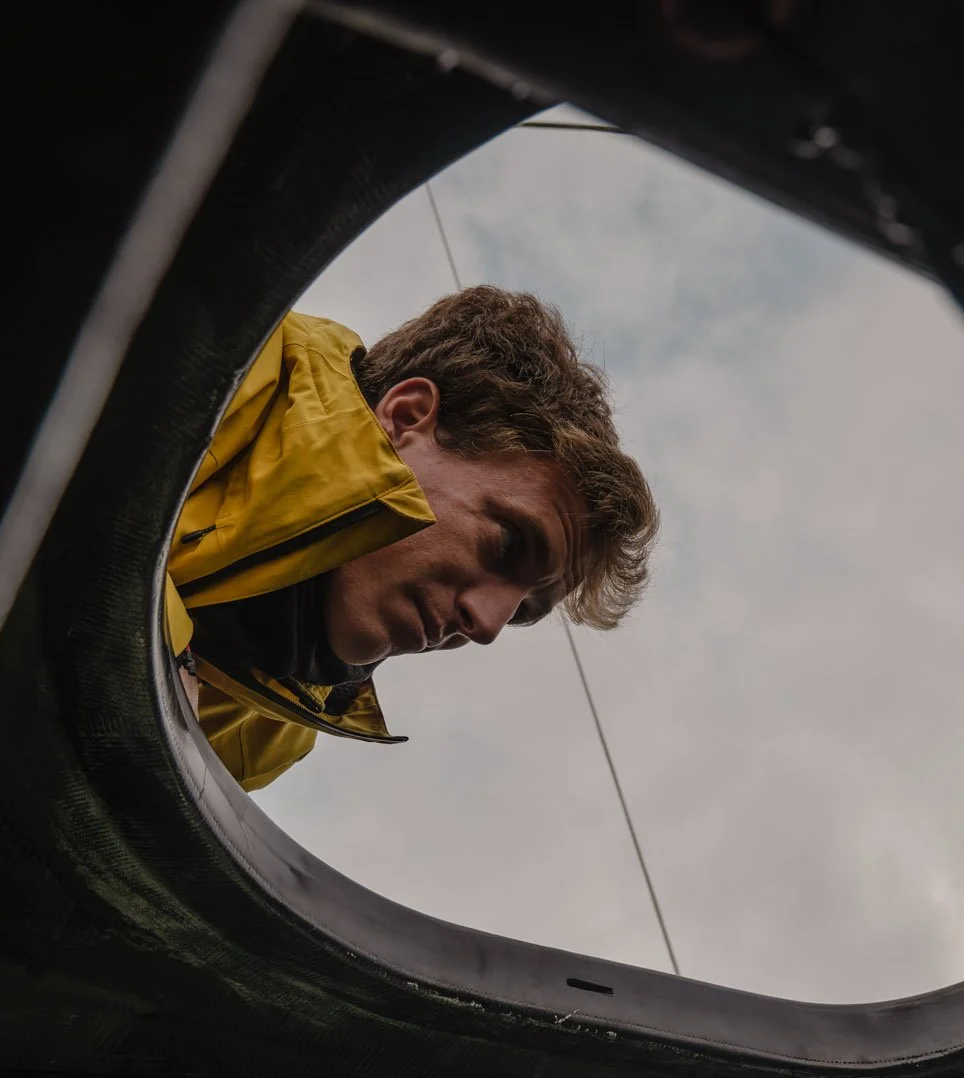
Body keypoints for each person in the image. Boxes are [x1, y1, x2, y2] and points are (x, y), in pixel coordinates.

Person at [162, 286, 658, 791]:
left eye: (522, 613)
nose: (486, 626)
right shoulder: (213, 352)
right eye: (508, 545)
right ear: (404, 418)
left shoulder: (263, 740)